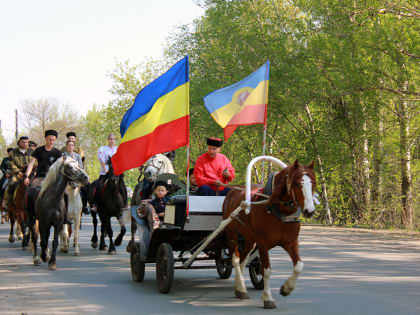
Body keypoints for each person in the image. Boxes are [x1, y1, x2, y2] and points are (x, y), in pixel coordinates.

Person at [2, 137, 31, 210]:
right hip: (17, 174)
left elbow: (35, 162)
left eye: (26, 142)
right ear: (19, 142)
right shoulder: (13, 152)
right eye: (23, 142)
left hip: (30, 173)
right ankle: (6, 203)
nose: (25, 144)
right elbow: (11, 163)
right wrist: (19, 172)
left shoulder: (32, 151)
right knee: (10, 185)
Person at [0, 148, 13, 223]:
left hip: (14, 175)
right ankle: (1, 194)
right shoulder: (5, 160)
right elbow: (2, 167)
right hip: (6, 176)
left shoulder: (16, 159)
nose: (11, 154)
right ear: (8, 153)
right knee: (2, 183)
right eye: (10, 153)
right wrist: (5, 173)